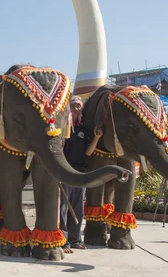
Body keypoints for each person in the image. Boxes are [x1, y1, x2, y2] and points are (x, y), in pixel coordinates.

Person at [60, 96, 103, 253]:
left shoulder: (84, 130)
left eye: (78, 105)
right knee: (63, 208)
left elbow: (88, 152)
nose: (76, 107)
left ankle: (75, 239)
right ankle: (63, 241)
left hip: (81, 171)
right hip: (65, 171)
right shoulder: (63, 127)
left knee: (77, 208)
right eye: (73, 105)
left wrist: (96, 138)